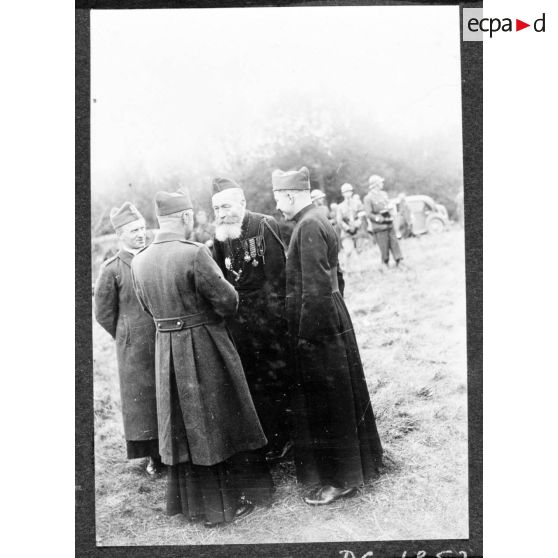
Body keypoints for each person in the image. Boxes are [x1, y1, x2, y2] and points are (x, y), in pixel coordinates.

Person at [131, 189, 269, 528]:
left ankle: (194, 504)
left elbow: (147, 308)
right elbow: (227, 301)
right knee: (219, 418)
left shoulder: (139, 259)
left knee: (183, 426)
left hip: (166, 348)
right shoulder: (194, 254)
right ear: (187, 217)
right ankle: (225, 503)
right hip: (204, 343)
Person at [271, 166, 383, 505]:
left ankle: (339, 479)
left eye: (279, 200)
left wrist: (306, 338)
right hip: (333, 319)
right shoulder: (319, 218)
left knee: (328, 402)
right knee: (343, 396)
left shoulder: (306, 226)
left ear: (290, 196)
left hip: (318, 330)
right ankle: (360, 466)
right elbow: (337, 277)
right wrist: (336, 312)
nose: (278, 207)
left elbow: (317, 288)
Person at [211, 177, 292, 463]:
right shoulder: (220, 236)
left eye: (227, 206)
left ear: (242, 203)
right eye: (217, 208)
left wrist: (277, 320)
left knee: (277, 380)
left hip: (268, 320)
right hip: (239, 323)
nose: (222, 213)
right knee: (252, 381)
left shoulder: (262, 224)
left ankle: (286, 440)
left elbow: (278, 277)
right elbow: (221, 277)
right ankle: (268, 438)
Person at [94, 202, 161, 476]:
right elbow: (103, 313)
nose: (141, 234)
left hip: (163, 338)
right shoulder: (112, 269)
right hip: (134, 350)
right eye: (134, 230)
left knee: (166, 396)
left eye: (143, 228)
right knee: (144, 403)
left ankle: (175, 453)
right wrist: (126, 334)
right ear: (120, 235)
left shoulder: (155, 256)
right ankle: (154, 456)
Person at [363, 174, 403, 268]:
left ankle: (399, 261)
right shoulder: (368, 198)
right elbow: (369, 213)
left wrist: (390, 209)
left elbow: (388, 205)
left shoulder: (384, 194)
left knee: (394, 243)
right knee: (383, 246)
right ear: (375, 184)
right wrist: (379, 219)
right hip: (379, 226)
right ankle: (385, 264)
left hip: (389, 222)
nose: (382, 184)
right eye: (380, 182)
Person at [336, 183, 366, 270]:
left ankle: (358, 268)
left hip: (357, 231)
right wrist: (348, 229)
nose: (348, 194)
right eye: (345, 192)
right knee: (348, 250)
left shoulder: (357, 203)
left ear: (352, 192)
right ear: (342, 194)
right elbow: (339, 220)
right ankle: (345, 268)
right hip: (346, 233)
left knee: (359, 250)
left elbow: (361, 216)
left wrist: (357, 225)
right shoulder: (340, 206)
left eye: (349, 191)